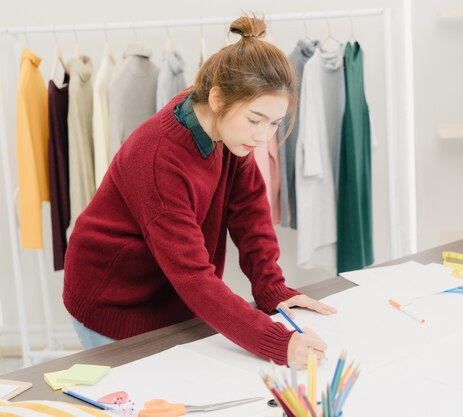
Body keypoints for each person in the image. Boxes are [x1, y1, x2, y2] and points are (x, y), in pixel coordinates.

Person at [63, 15, 336, 369]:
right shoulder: (160, 158)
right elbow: (193, 276)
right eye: (255, 120)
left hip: (168, 292)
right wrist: (276, 342)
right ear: (219, 98)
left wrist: (271, 288)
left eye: (274, 123)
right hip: (114, 299)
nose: (263, 136)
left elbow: (249, 213)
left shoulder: (226, 131)